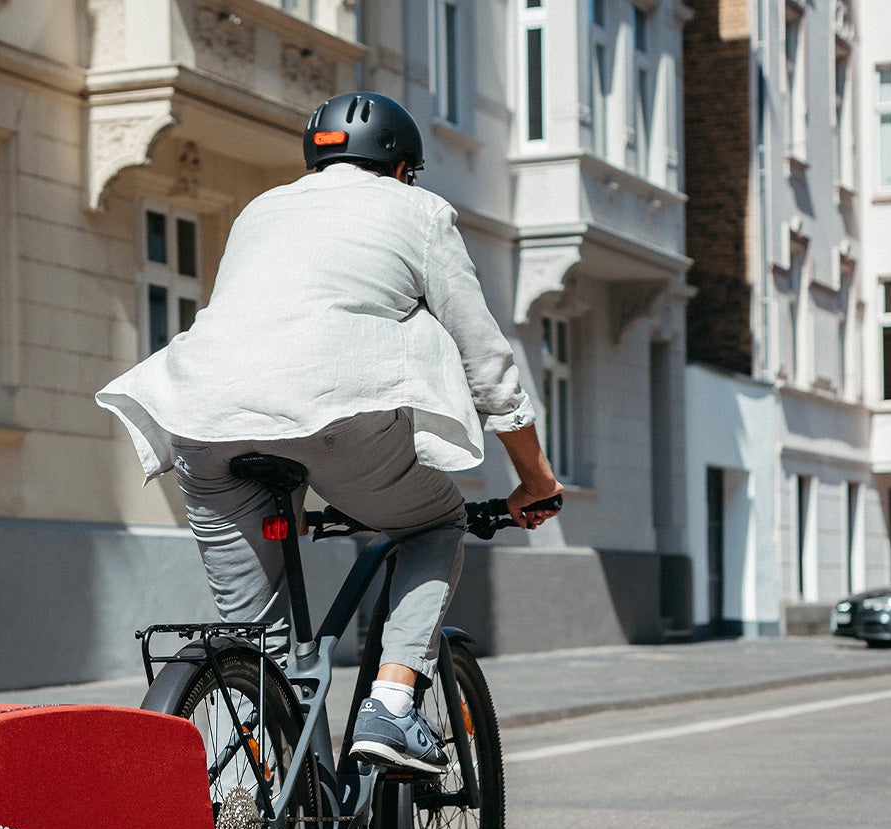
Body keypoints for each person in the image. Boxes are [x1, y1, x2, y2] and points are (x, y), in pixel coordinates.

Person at [97, 92, 563, 773]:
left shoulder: (262, 209)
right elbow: (486, 360)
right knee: (435, 526)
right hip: (338, 416)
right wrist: (535, 478)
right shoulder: (420, 212)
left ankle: (258, 802)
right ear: (402, 168)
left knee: (260, 649)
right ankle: (393, 705)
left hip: (202, 421)